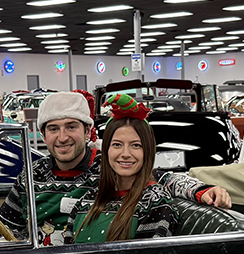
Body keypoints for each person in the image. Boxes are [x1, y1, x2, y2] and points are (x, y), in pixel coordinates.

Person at [0, 91, 231, 245]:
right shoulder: (31, 175)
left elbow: (160, 178)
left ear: (87, 131)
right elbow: (6, 229)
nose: (62, 137)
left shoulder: (109, 168)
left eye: (71, 127)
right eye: (53, 129)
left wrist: (201, 190)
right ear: (43, 135)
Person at [66, 101, 175, 243]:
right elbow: (67, 248)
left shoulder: (156, 202)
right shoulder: (89, 197)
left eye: (136, 145)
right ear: (106, 150)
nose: (125, 154)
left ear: (148, 151)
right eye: (117, 145)